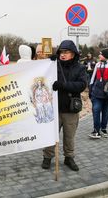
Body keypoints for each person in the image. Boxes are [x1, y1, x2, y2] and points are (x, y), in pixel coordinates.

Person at [42, 40, 87, 171]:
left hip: (70, 110)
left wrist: (63, 85)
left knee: (69, 136)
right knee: (51, 135)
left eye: (66, 52)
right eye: (61, 52)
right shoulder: (54, 65)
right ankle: (47, 157)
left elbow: (81, 85)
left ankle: (69, 158)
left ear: (73, 54)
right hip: (54, 108)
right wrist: (48, 62)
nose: (63, 54)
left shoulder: (80, 68)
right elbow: (42, 76)